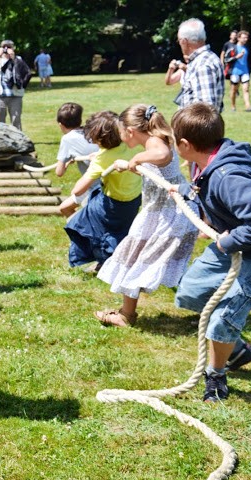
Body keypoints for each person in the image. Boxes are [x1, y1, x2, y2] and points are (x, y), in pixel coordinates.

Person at [171, 102, 251, 402]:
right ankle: (236, 348)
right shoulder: (209, 164)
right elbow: (209, 198)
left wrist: (229, 241)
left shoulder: (228, 175)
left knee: (222, 318)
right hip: (234, 246)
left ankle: (215, 375)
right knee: (189, 293)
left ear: (185, 145)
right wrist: (185, 194)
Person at [94, 104, 198, 327]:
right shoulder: (151, 143)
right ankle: (126, 314)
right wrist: (131, 164)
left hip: (171, 216)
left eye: (121, 131)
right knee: (135, 259)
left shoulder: (154, 144)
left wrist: (137, 159)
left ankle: (214, 303)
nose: (120, 137)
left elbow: (162, 154)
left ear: (129, 131)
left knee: (160, 265)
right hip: (158, 213)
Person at [63, 111, 141, 270]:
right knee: (118, 232)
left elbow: (77, 191)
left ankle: (104, 262)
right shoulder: (132, 145)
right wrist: (99, 156)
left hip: (112, 204)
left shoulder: (102, 159)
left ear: (99, 139)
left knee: (83, 225)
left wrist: (95, 164)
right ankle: (107, 262)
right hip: (133, 202)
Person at [54, 103, 99, 217]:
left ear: (60, 125)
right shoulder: (90, 131)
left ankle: (82, 228)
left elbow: (59, 172)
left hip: (95, 185)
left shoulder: (67, 138)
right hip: (107, 178)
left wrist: (67, 163)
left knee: (65, 208)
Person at [173, 18, 224, 112]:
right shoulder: (205, 59)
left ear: (184, 41)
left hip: (196, 127)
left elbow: (206, 111)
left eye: (178, 40)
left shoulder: (203, 64)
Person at [0, 40, 26, 130]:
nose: (6, 49)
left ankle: (19, 140)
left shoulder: (18, 59)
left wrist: (13, 57)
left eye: (9, 47)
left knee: (16, 119)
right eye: (4, 47)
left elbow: (23, 71)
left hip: (16, 94)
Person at [228, 30, 251, 112]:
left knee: (246, 89)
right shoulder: (233, 48)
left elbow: (250, 60)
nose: (245, 39)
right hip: (235, 72)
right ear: (238, 38)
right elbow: (227, 59)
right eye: (243, 38)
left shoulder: (247, 48)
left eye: (246, 38)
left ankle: (248, 106)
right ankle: (233, 106)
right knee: (234, 90)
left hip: (245, 71)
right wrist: (236, 57)